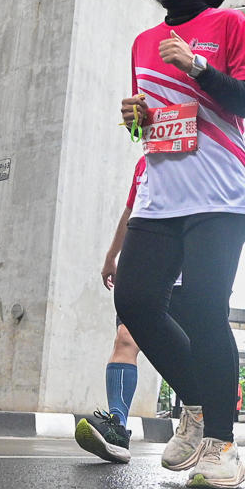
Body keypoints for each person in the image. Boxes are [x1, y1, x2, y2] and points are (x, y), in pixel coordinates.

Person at [111, 0, 245, 489]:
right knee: (134, 299)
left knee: (203, 308)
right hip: (161, 197)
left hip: (220, 196)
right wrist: (135, 119)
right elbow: (152, 126)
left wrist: (198, 66)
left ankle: (222, 446)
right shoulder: (143, 42)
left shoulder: (229, 25)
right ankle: (197, 406)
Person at [77, 160, 151, 464]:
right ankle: (117, 428)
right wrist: (112, 256)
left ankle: (207, 429)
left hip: (185, 269)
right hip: (143, 266)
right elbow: (131, 211)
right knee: (124, 339)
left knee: (191, 352)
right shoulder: (145, 163)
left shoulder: (207, 147)